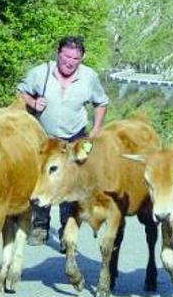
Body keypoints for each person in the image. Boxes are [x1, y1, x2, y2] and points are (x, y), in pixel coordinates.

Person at [16, 36, 108, 247]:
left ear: (81, 58)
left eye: (75, 58)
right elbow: (21, 92)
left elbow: (101, 102)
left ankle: (67, 228)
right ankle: (40, 227)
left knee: (68, 182)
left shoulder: (89, 77)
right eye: (66, 56)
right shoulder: (42, 72)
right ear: (58, 53)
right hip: (45, 137)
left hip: (74, 137)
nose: (70, 61)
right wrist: (33, 101)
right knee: (43, 180)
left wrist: (96, 129)